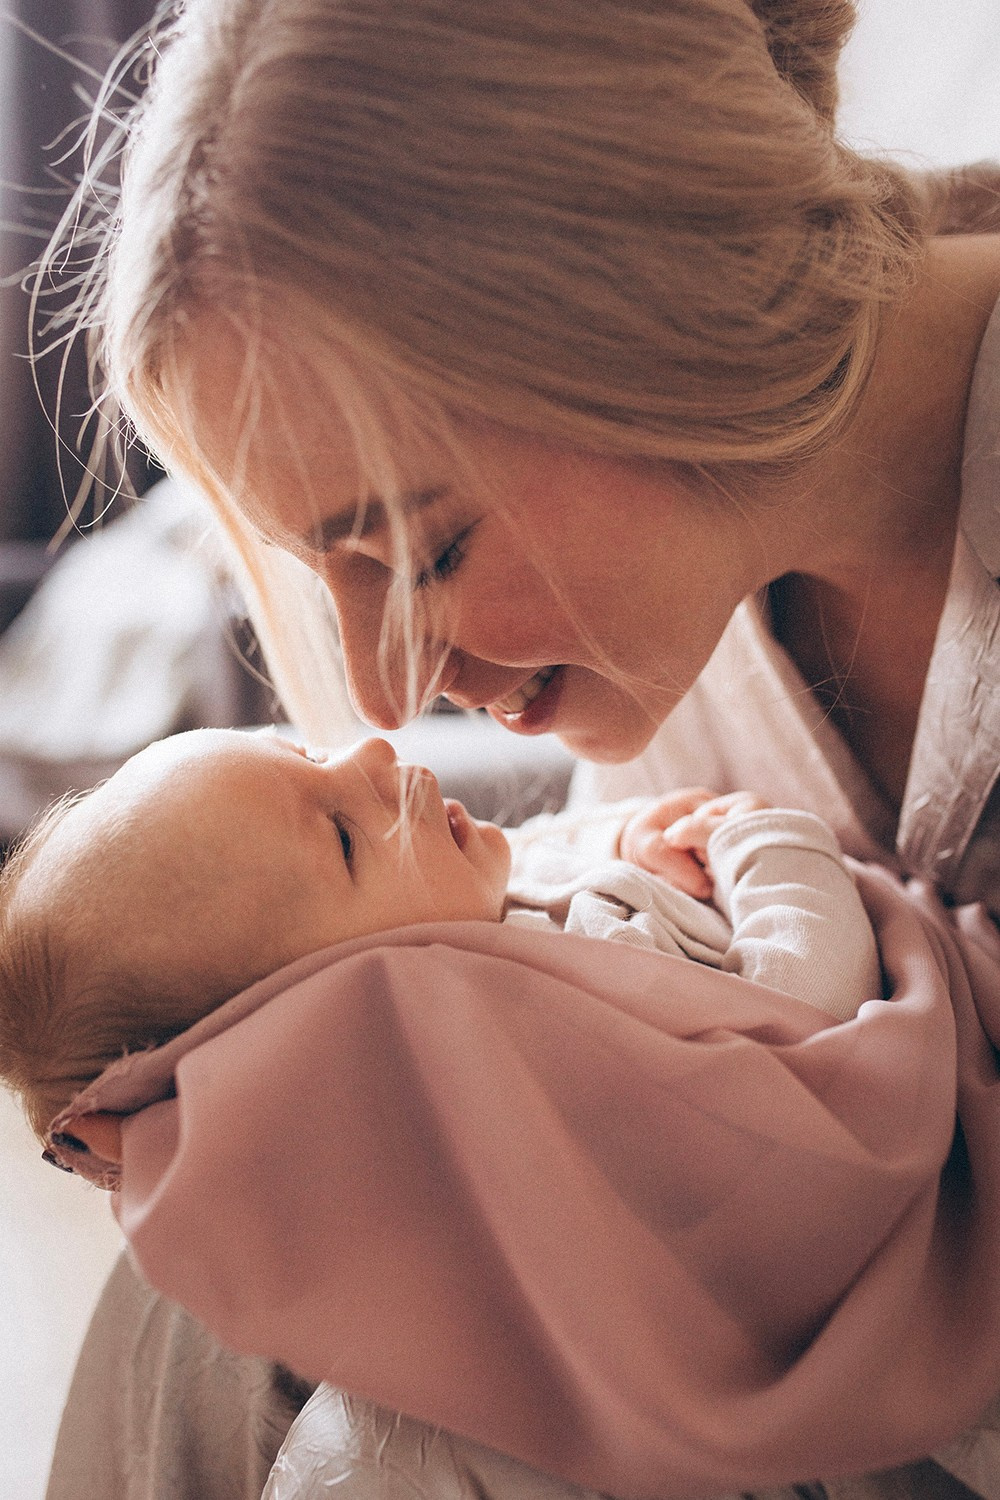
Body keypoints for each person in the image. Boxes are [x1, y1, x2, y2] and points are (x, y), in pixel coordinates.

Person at [42, 0, 1000, 1497]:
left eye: (426, 551)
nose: (381, 691)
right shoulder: (676, 605)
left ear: (664, 338)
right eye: (324, 571)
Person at [0, 726, 877, 1150]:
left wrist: (623, 838)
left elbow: (534, 859)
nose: (374, 754)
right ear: (325, 1024)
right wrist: (767, 843)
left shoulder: (460, 910)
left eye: (309, 754)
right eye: (344, 836)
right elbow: (807, 1027)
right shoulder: (561, 1035)